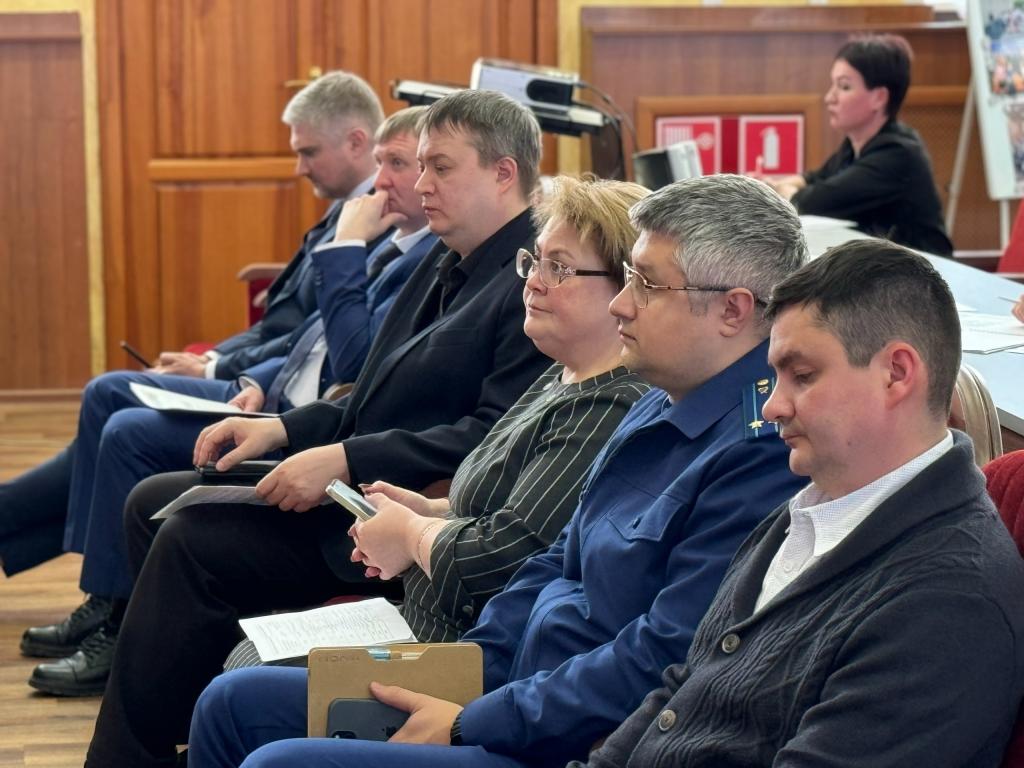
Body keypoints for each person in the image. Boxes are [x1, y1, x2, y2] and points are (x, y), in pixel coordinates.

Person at [184, 174, 809, 768]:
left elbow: (660, 658)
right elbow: (554, 563)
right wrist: (470, 671)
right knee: (233, 703)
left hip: (565, 735)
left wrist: (474, 719)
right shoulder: (661, 398)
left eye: (645, 284)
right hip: (514, 687)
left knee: (278, 759)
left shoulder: (760, 452)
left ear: (732, 311)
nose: (622, 304)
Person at [83, 88, 553, 768]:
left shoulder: (528, 283)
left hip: (396, 510)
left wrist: (343, 459)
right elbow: (369, 392)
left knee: (191, 539)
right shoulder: (447, 258)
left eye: (440, 167)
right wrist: (280, 429)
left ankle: (131, 755)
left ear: (504, 173)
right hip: (358, 484)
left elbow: (490, 437)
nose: (421, 185)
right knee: (152, 500)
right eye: (420, 165)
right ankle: (180, 726)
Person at [22, 106, 438, 696]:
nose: (385, 180)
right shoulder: (391, 237)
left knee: (125, 432)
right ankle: (108, 605)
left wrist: (345, 247)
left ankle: (112, 614)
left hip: (314, 427)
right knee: (111, 405)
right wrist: (247, 375)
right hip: (274, 394)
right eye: (386, 163)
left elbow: (352, 365)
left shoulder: (411, 250)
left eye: (403, 164)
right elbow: (303, 336)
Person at [574, 239, 1024, 768]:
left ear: (897, 373)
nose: (772, 406)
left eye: (803, 376)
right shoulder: (808, 508)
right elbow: (684, 687)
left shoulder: (948, 604)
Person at [220, 177, 652, 671]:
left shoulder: (607, 404)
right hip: (433, 621)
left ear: (624, 288)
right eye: (534, 262)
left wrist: (412, 532)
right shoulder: (561, 373)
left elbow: (509, 558)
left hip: (467, 654)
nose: (533, 281)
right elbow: (511, 508)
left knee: (241, 683)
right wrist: (429, 508)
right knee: (245, 657)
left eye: (559, 268)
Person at [0, 70, 382, 583]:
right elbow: (295, 329)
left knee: (116, 416)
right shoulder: (349, 213)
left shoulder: (372, 230)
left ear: (356, 141)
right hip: (265, 378)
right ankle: (70, 561)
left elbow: (319, 341)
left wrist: (215, 367)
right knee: (107, 399)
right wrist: (216, 361)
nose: (299, 167)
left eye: (308, 152)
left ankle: (91, 582)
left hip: (294, 407)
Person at [759, 35, 954, 256]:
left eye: (844, 86)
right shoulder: (855, 145)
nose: (829, 98)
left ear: (879, 98)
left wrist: (781, 191)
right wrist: (775, 186)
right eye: (833, 84)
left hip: (927, 271)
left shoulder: (897, 154)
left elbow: (812, 202)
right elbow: (813, 178)